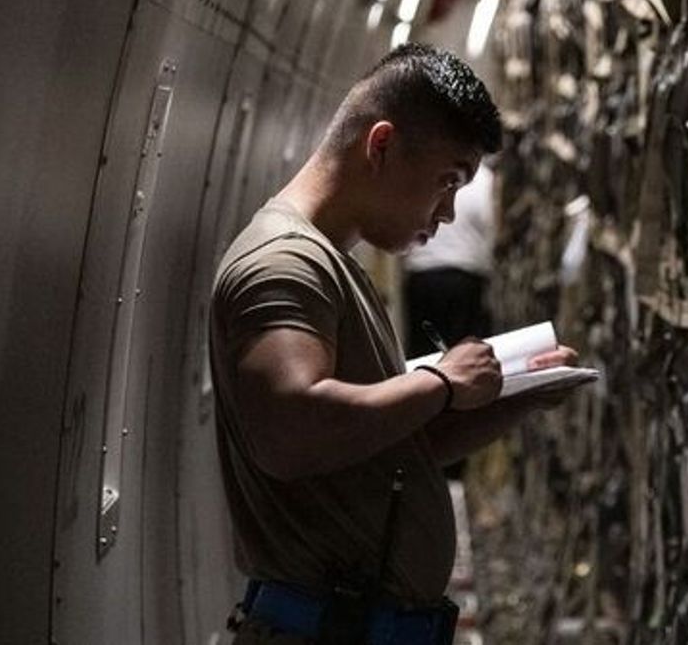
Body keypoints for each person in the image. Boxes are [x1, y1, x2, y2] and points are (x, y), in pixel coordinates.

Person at [209, 43, 576, 645]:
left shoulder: (335, 267)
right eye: (447, 181)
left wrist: (521, 394)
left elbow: (394, 446)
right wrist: (439, 382)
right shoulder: (285, 264)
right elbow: (290, 434)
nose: (448, 212)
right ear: (380, 146)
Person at [402, 160, 497, 358]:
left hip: (422, 273)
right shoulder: (485, 180)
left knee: (423, 352)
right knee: (465, 351)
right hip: (464, 274)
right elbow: (491, 225)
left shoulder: (430, 168)